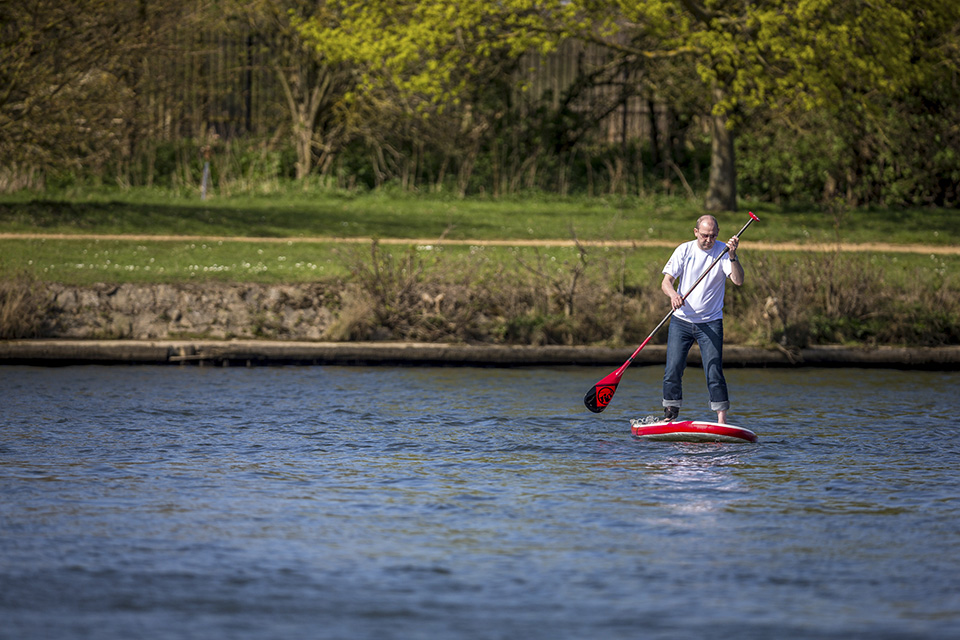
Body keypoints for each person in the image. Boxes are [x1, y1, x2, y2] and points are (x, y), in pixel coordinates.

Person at [660, 214, 744, 424]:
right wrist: (674, 295)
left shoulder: (724, 251)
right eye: (705, 235)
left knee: (714, 370)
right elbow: (666, 282)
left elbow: (738, 280)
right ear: (696, 232)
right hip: (682, 321)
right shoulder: (684, 250)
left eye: (713, 236)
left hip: (711, 322)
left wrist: (733, 256)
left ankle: (722, 420)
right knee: (673, 369)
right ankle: (670, 416)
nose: (709, 240)